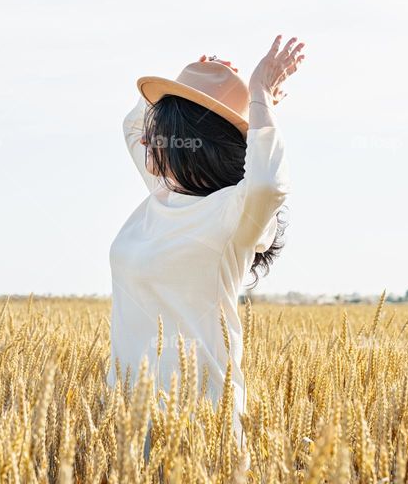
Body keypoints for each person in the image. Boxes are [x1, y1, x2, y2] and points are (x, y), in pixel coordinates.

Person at [108, 35, 306, 454]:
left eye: (158, 133)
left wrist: (258, 99)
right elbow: (131, 125)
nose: (144, 139)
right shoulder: (163, 193)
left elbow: (269, 183)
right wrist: (191, 85)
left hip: (200, 427)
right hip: (126, 419)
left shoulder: (232, 217)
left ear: (188, 145)